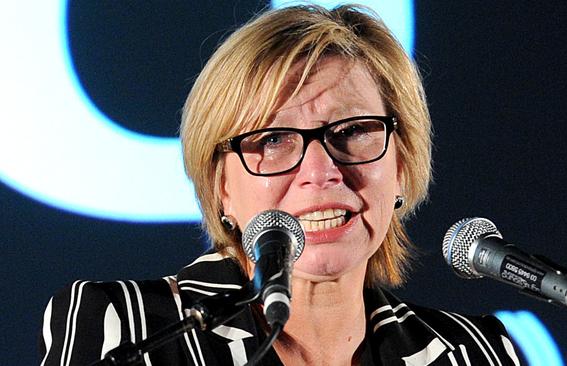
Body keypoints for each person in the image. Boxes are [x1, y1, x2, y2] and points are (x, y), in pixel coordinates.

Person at [40, 4, 520, 365]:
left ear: (401, 161)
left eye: (352, 131)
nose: (321, 171)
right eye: (272, 140)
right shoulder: (125, 328)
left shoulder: (474, 352)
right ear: (221, 185)